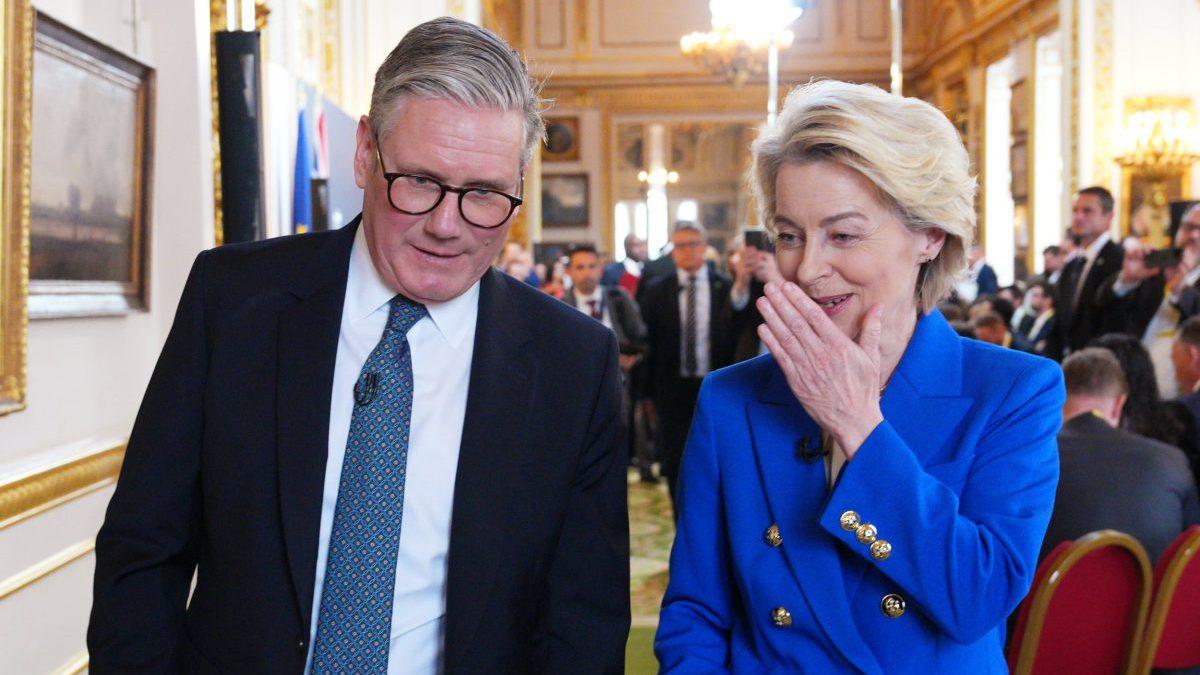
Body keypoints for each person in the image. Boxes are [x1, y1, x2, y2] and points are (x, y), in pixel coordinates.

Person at [88, 18, 630, 674]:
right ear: (365, 151)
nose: (447, 225)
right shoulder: (234, 301)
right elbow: (143, 551)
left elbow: (584, 621)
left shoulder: (573, 362)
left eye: (484, 193)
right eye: (421, 181)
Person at [656, 80, 1064, 672]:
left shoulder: (1014, 392)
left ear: (930, 235)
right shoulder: (731, 400)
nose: (807, 268)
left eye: (843, 235)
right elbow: (695, 617)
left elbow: (977, 599)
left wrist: (858, 425)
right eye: (789, 236)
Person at [1045, 348, 1199, 564]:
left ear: (1058, 398)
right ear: (1119, 403)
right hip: (1154, 586)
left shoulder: (1036, 458)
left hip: (1050, 585)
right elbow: (1192, 552)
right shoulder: (1172, 460)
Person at [639, 221, 735, 511]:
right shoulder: (657, 290)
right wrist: (646, 394)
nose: (688, 251)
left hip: (715, 385)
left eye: (694, 244)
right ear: (673, 252)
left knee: (717, 458)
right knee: (675, 460)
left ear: (704, 247)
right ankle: (681, 518)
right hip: (671, 388)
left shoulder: (725, 288)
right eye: (681, 246)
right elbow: (647, 343)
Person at [1097, 202, 1200, 397]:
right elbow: (1102, 308)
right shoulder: (1153, 273)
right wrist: (1127, 281)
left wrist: (1180, 290)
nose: (1193, 235)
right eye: (1188, 227)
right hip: (1133, 389)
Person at [1056, 186, 1124, 354]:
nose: (1078, 217)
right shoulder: (1072, 265)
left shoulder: (1119, 260)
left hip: (1102, 358)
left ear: (1109, 216)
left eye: (1087, 211)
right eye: (1075, 210)